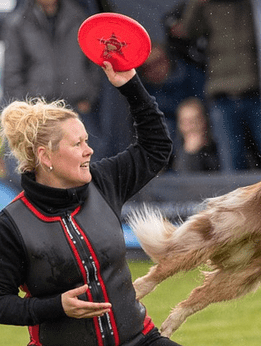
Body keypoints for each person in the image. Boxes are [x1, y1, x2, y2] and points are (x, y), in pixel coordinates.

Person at [0, 62, 181, 346]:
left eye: (86, 140)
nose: (89, 150)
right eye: (77, 144)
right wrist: (56, 306)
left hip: (140, 340)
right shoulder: (12, 224)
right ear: (45, 157)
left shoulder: (103, 181)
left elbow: (155, 147)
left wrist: (130, 85)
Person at [2, 0, 103, 157]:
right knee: (40, 165)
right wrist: (23, 109)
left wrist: (89, 95)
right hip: (39, 113)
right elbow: (12, 72)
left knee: (83, 162)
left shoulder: (79, 16)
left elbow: (94, 61)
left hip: (77, 108)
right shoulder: (19, 22)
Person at [170, 0, 261, 172]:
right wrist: (196, 3)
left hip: (255, 90)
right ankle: (235, 198)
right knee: (231, 159)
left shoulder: (250, 6)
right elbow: (186, 31)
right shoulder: (208, 8)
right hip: (222, 93)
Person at [173, 97, 220, 172]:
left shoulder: (220, 149)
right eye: (185, 122)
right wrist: (190, 154)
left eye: (195, 120)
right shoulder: (173, 152)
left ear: (205, 121)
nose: (191, 127)